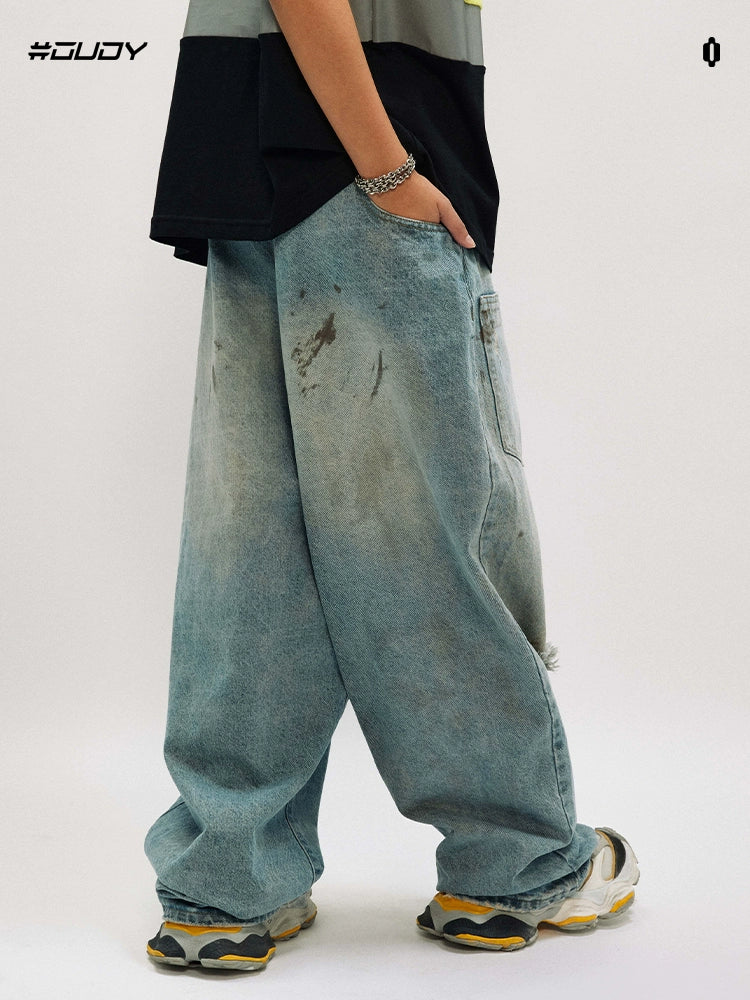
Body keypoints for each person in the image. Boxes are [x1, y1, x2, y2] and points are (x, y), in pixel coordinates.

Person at [143, 0, 639, 972]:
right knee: (427, 535)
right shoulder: (379, 164)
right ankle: (513, 860)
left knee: (256, 546)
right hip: (364, 148)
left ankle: (226, 883)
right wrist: (388, 169)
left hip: (253, 149)